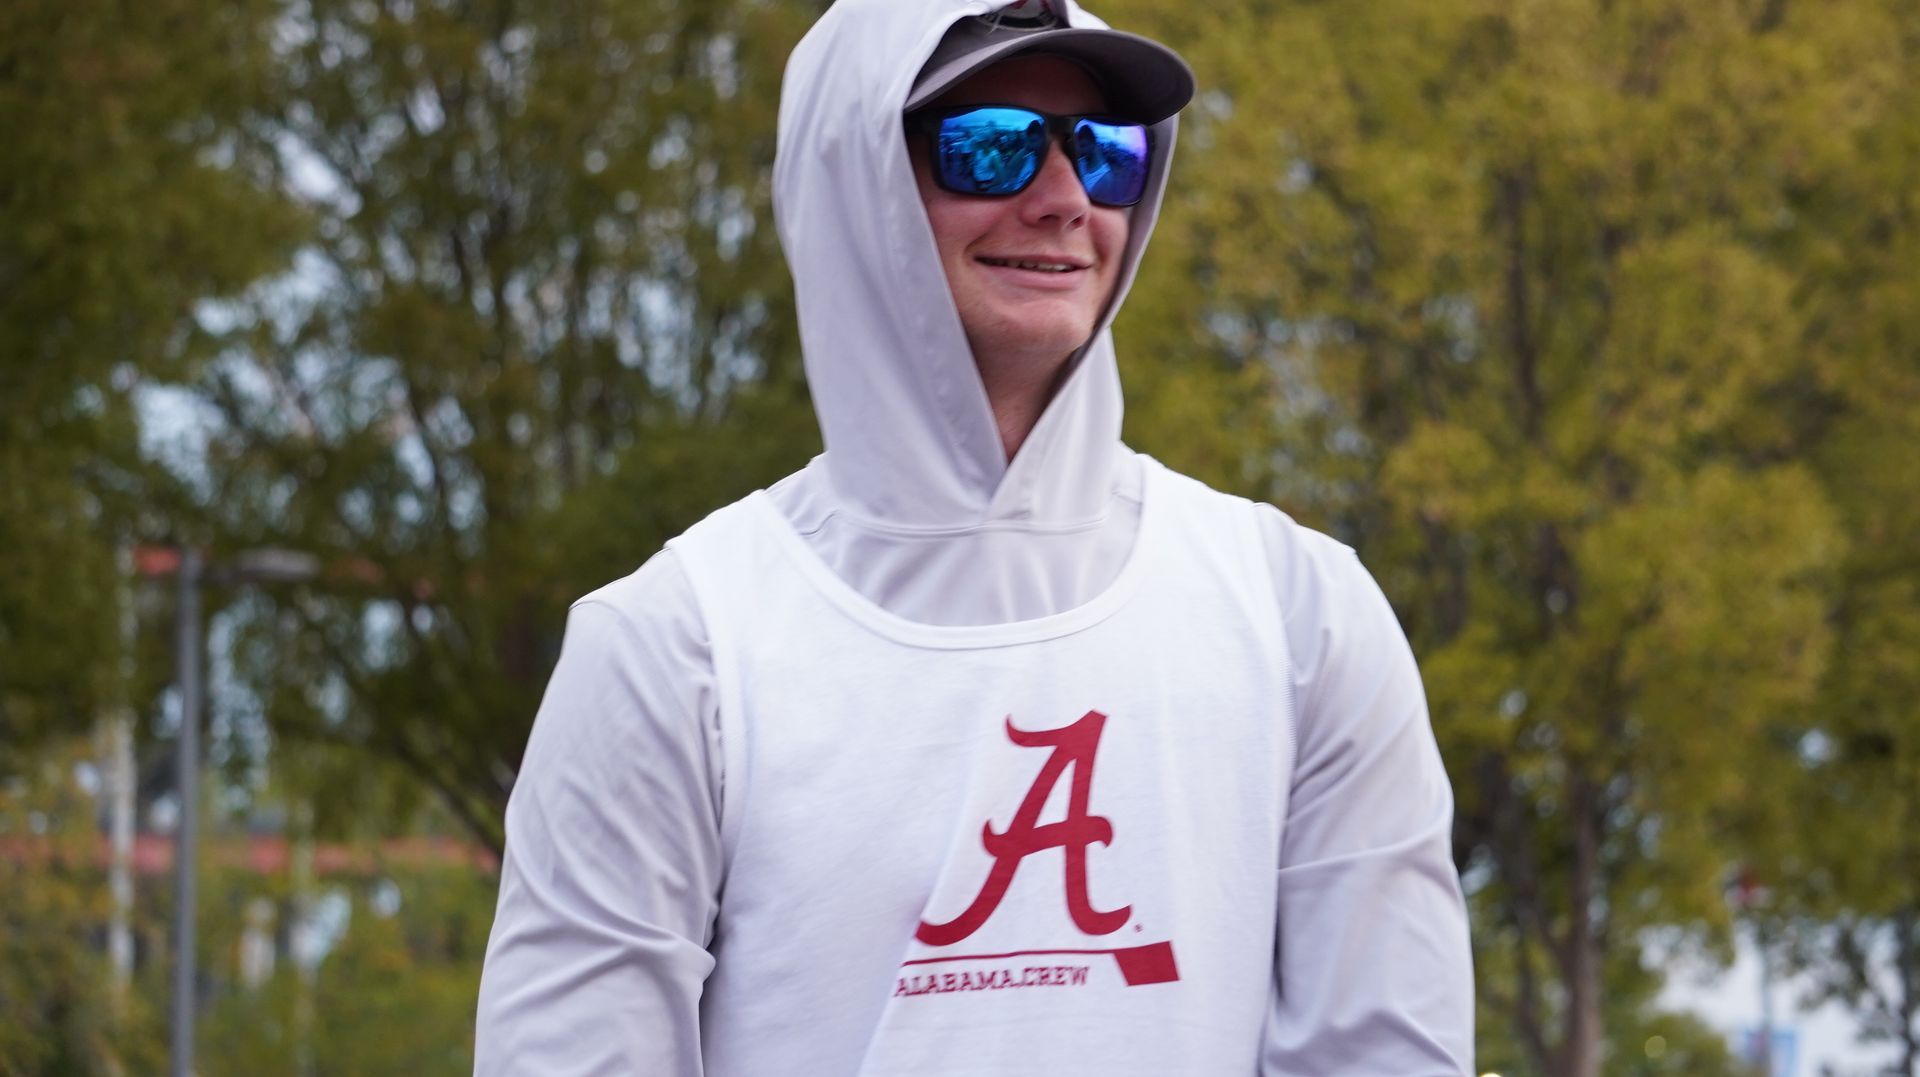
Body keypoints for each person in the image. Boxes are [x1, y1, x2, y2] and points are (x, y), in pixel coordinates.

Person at [474, 0, 1474, 1073]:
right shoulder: (675, 646)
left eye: (1107, 154)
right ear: (856, 182)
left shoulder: (1300, 613)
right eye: (986, 147)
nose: (1062, 199)